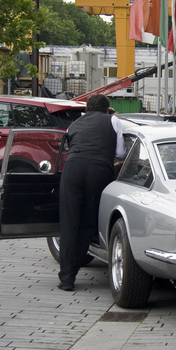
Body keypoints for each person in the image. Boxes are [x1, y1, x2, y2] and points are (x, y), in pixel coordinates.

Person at [57, 94, 126, 291]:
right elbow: (120, 153)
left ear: (87, 108)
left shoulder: (74, 124)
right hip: (99, 171)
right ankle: (77, 264)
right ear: (107, 109)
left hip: (72, 170)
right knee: (88, 222)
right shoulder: (113, 120)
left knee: (69, 223)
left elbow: (71, 147)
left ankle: (66, 278)